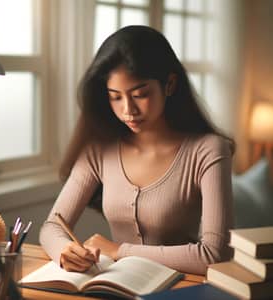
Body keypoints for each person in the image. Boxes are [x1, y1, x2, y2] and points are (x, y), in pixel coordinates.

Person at [40, 25, 235, 275]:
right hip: (116, 287)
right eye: (115, 96)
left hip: (180, 289)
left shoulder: (208, 150)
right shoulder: (99, 149)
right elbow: (51, 227)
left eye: (140, 94)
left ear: (170, 84)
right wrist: (64, 250)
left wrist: (119, 250)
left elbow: (215, 254)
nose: (128, 110)